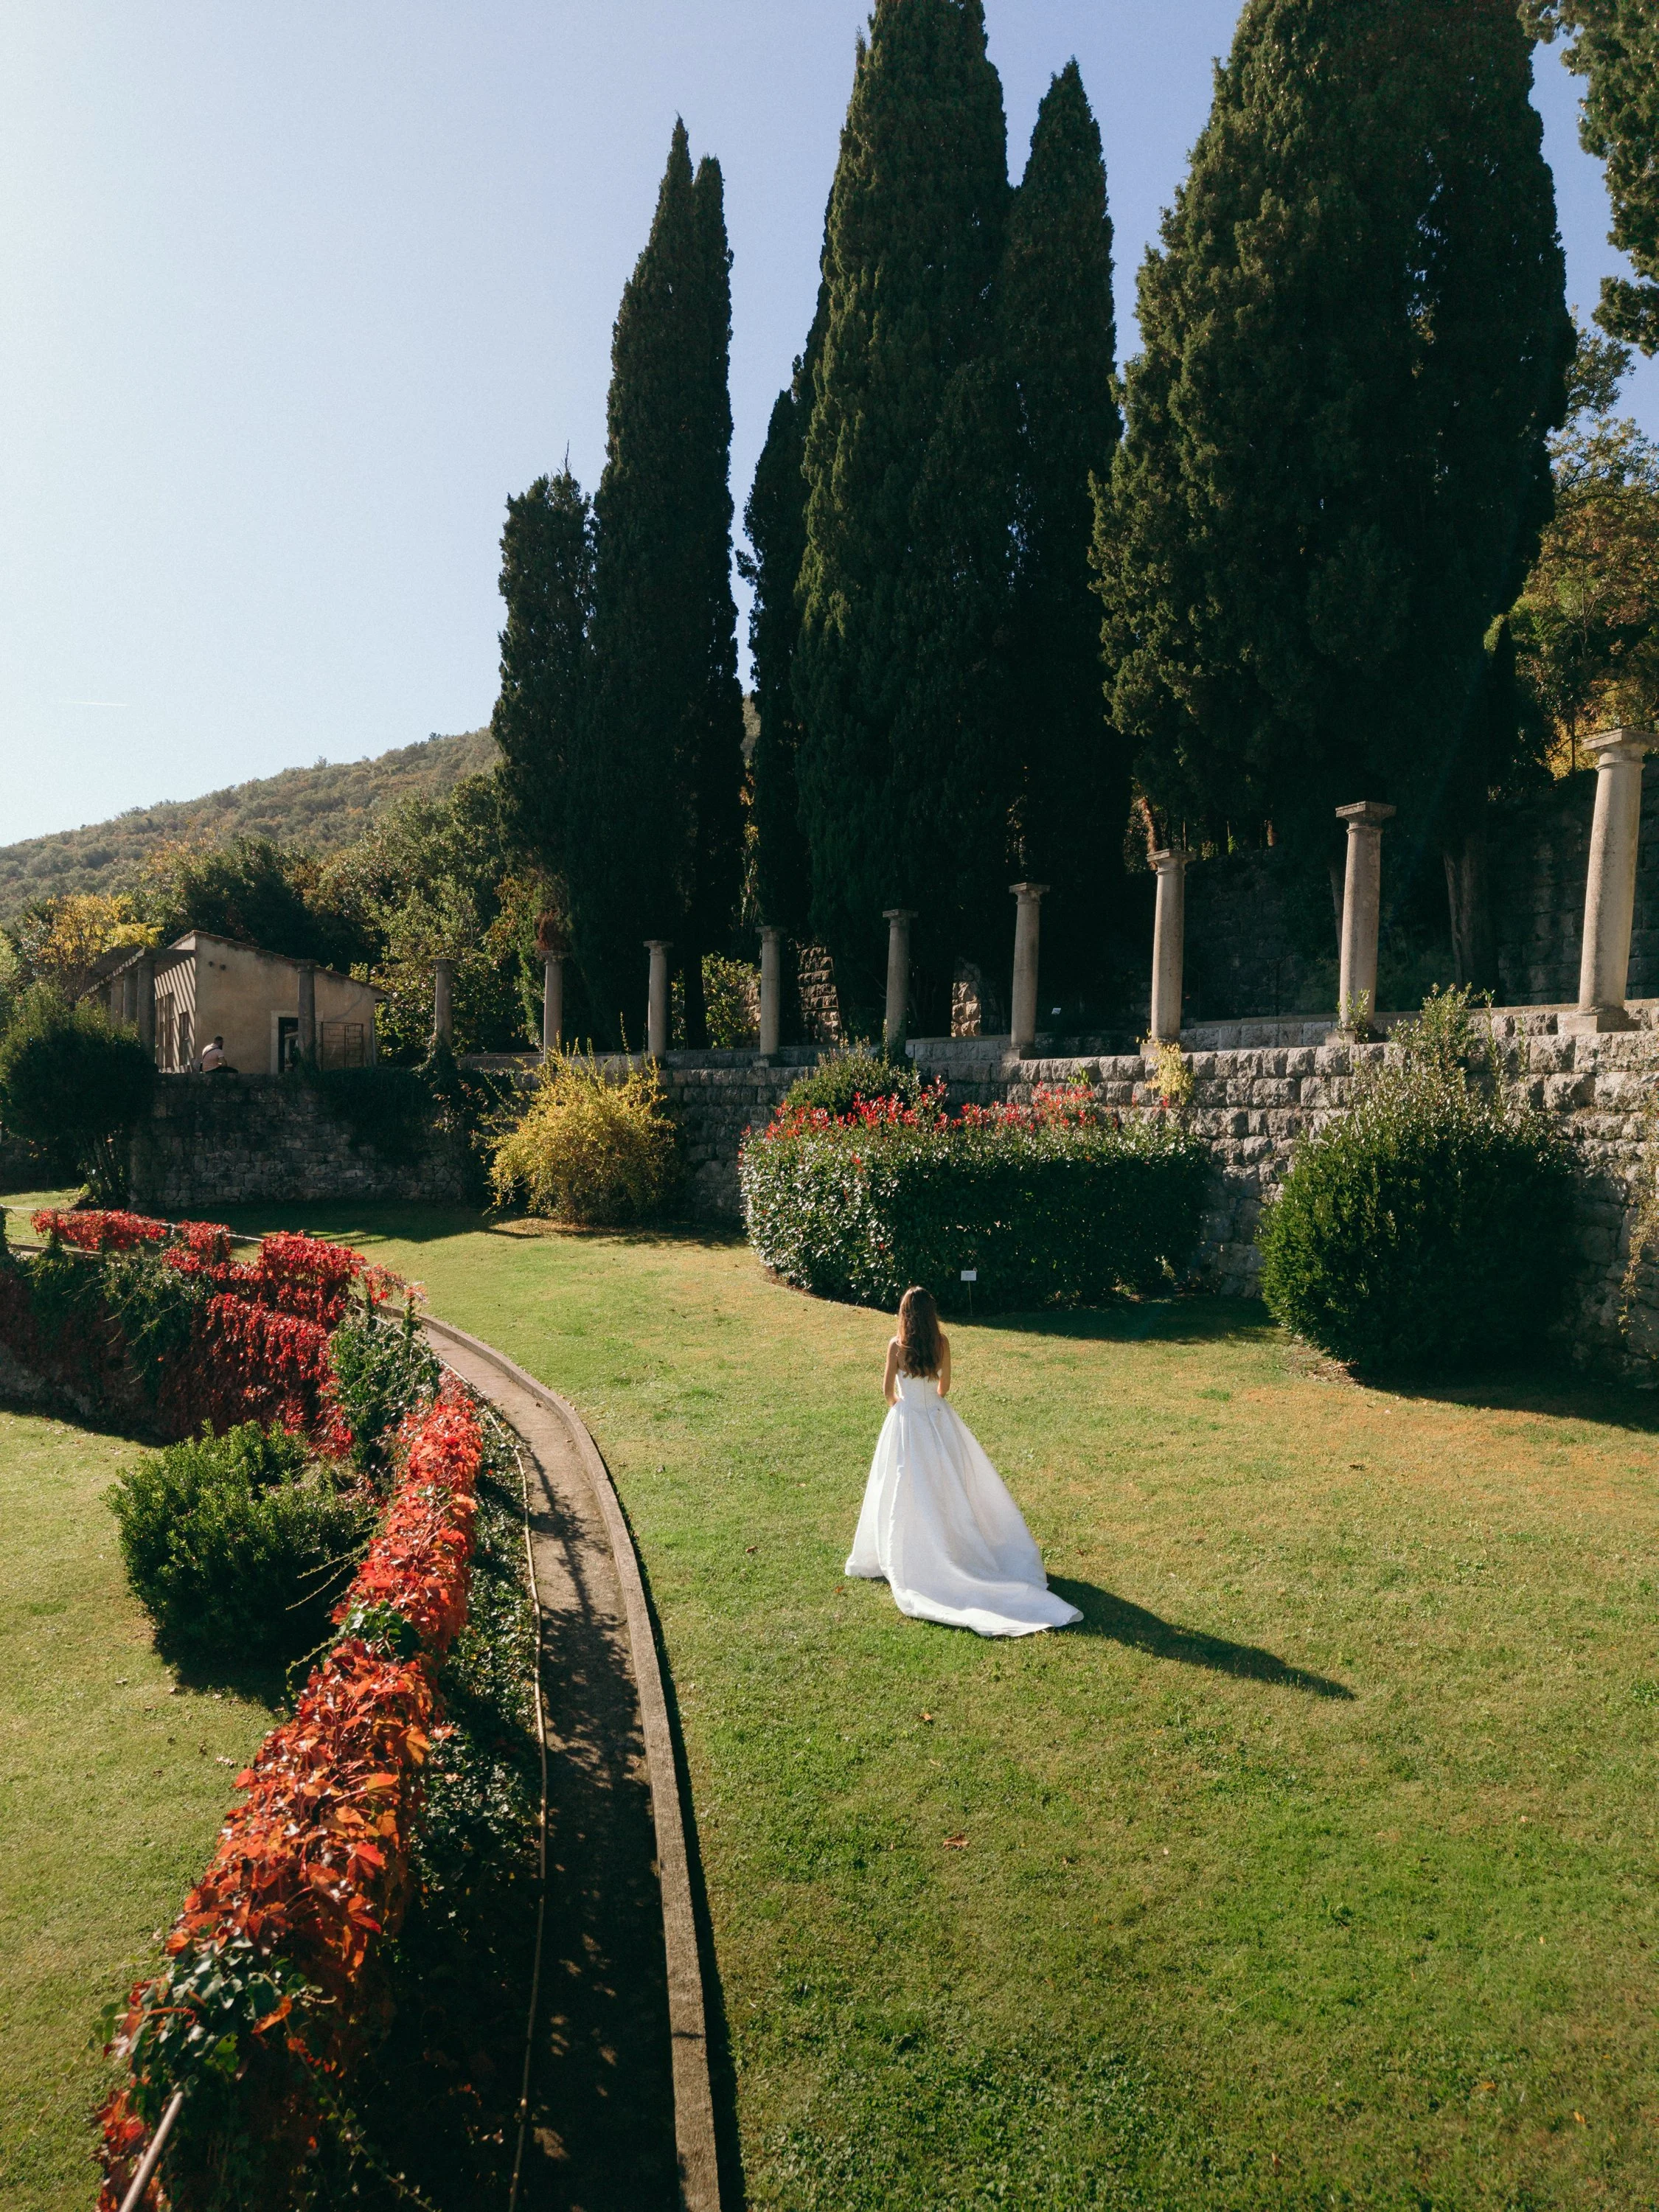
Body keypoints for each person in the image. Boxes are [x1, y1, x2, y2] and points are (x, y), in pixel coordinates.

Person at [845, 1286, 1082, 1638]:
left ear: (904, 1314)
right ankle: (953, 1541)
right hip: (937, 1420)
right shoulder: (942, 1343)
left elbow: (887, 1393)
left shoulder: (896, 1346)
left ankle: (906, 1547)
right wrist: (929, 1404)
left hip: (906, 1421)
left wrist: (904, 1409)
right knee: (948, 1482)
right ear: (930, 1315)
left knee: (902, 1484)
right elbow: (945, 1387)